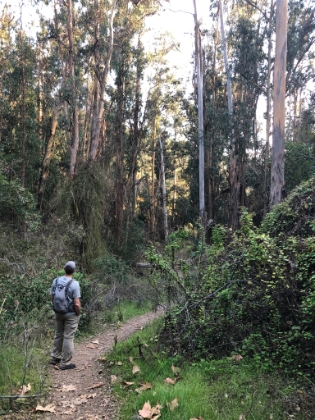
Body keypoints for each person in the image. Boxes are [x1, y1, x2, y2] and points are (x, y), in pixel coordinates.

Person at [50, 261, 81, 370]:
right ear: (74, 271)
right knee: (68, 337)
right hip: (70, 314)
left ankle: (55, 357)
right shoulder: (75, 284)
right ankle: (66, 363)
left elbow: (52, 297)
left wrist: (57, 309)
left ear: (64, 269)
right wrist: (77, 313)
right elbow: (76, 303)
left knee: (58, 334)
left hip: (58, 312)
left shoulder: (56, 280)